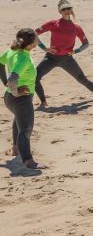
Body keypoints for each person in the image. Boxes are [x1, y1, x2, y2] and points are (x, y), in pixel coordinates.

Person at [34, 0, 93, 108]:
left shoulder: (76, 27)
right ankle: (43, 102)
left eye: (69, 8)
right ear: (60, 11)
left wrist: (76, 51)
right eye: (64, 9)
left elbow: (86, 43)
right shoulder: (53, 23)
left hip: (67, 59)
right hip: (51, 58)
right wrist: (44, 48)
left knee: (82, 79)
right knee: (34, 78)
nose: (67, 10)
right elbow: (33, 33)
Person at [0, 29, 44, 169]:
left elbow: (0, 62)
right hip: (20, 99)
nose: (38, 40)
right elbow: (13, 78)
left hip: (9, 98)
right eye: (37, 38)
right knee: (26, 128)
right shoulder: (23, 59)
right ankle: (28, 160)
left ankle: (16, 148)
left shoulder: (12, 51)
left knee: (18, 121)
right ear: (31, 44)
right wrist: (16, 91)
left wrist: (5, 83)